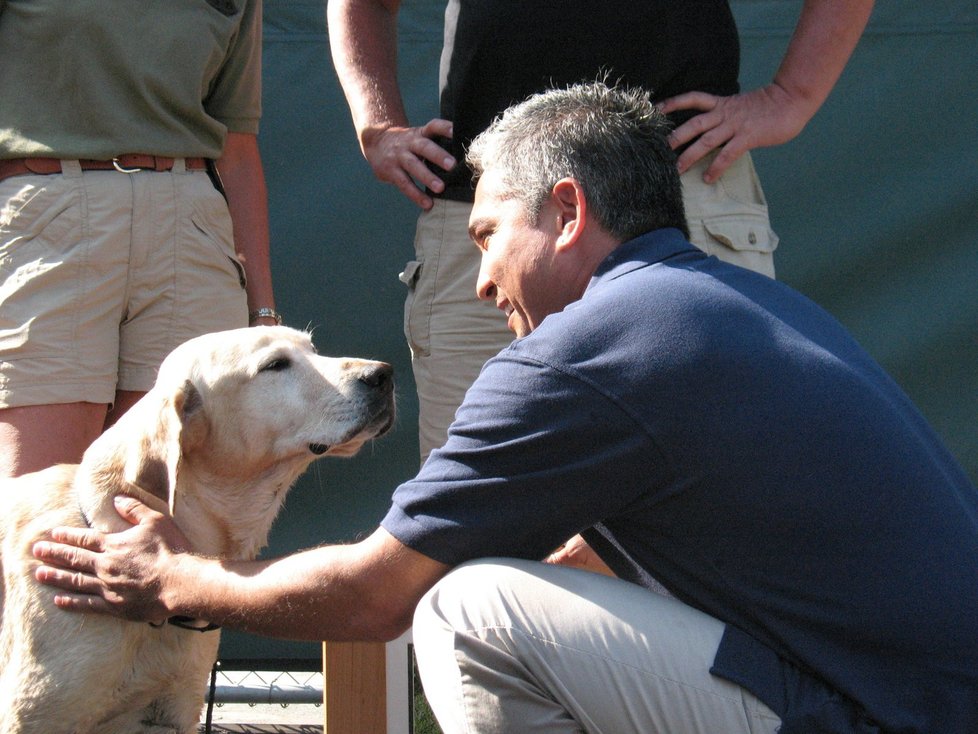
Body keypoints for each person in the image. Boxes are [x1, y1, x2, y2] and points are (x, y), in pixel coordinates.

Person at [32, 81, 978, 733]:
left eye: (487, 233)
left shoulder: (579, 352)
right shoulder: (729, 307)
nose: (481, 279)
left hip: (878, 714)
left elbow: (372, 598)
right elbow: (632, 546)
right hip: (919, 694)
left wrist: (168, 582)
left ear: (566, 213)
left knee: (464, 607)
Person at [327, 0, 876, 460]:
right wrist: (378, 126)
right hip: (483, 202)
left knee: (716, 488)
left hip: (684, 186)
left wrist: (791, 97)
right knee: (472, 505)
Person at [0, 0, 281, 478]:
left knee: (171, 500)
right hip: (49, 215)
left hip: (194, 224)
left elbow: (236, 148)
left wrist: (263, 314)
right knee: (39, 501)